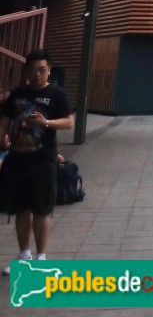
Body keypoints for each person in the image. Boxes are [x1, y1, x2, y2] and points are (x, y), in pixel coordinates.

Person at [0, 49, 74, 275]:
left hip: (43, 161)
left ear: (49, 71)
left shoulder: (57, 94)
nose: (37, 74)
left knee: (42, 210)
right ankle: (24, 256)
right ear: (26, 71)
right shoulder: (18, 94)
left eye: (42, 70)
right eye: (32, 70)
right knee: (21, 209)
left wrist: (46, 122)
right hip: (17, 160)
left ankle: (41, 259)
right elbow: (5, 121)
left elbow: (69, 122)